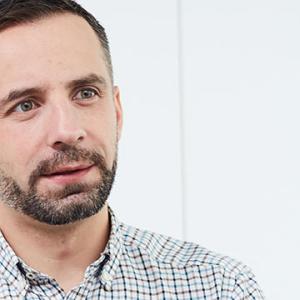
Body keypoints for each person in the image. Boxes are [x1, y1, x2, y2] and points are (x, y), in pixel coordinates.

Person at [0, 0, 264, 299]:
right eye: (25, 105)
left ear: (117, 112)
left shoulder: (220, 287)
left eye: (86, 93)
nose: (68, 131)